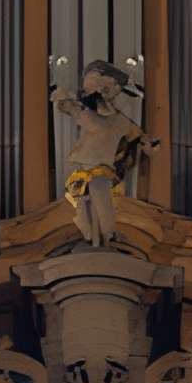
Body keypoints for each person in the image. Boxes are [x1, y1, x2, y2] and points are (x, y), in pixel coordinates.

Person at [50, 59, 153, 249]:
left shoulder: (119, 121)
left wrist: (148, 144)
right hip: (82, 163)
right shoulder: (87, 113)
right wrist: (65, 97)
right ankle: (90, 235)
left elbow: (137, 135)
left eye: (109, 89)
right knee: (79, 198)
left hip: (101, 166)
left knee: (101, 197)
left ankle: (107, 234)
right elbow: (65, 106)